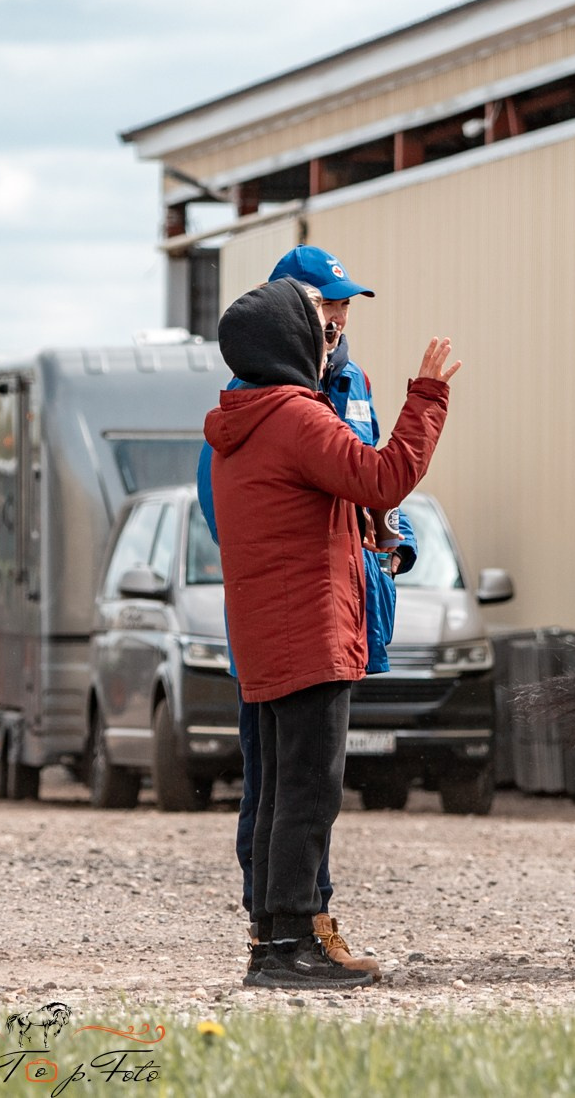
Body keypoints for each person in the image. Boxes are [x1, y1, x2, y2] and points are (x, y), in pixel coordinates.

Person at [206, 279, 456, 989]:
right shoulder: (294, 417)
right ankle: (290, 947)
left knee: (282, 792)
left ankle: (272, 938)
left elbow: (312, 508)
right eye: (316, 333)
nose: (328, 344)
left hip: (269, 634)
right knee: (309, 794)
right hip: (310, 633)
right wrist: (428, 397)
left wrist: (359, 526)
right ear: (289, 344)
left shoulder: (239, 425)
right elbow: (384, 477)